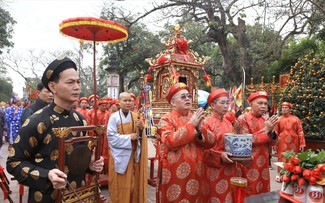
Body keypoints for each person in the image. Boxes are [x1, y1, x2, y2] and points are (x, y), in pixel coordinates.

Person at [6, 57, 104, 203]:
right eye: (70, 82)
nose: (77, 87)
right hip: (46, 198)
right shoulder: (36, 121)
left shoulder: (80, 120)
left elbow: (78, 160)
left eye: (78, 82)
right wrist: (47, 175)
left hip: (78, 196)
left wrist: (90, 164)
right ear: (52, 87)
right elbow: (13, 163)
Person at [156, 83, 216, 202]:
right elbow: (170, 141)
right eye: (183, 97)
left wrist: (199, 130)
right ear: (173, 102)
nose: (187, 99)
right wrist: (191, 125)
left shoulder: (194, 117)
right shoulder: (166, 119)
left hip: (197, 170)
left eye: (189, 96)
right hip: (175, 172)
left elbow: (212, 142)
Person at [107, 92, 148, 203]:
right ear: (119, 102)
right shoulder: (113, 117)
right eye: (125, 100)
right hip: (118, 156)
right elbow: (111, 138)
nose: (128, 103)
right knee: (119, 183)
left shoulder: (136, 116)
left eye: (130, 100)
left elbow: (141, 137)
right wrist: (128, 137)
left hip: (133, 155)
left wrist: (140, 129)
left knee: (133, 183)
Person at [236, 91, 278, 196]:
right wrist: (266, 131)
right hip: (248, 162)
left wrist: (272, 132)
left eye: (265, 103)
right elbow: (243, 142)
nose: (263, 106)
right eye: (260, 103)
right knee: (249, 191)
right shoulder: (242, 119)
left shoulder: (266, 119)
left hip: (263, 163)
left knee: (263, 191)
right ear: (250, 104)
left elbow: (274, 142)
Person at [201, 88, 236, 202]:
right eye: (222, 102)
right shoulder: (206, 123)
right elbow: (202, 150)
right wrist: (220, 155)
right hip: (213, 170)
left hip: (229, 168)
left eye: (227, 102)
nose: (226, 106)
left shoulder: (229, 123)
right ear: (212, 105)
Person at [274, 102, 305, 182]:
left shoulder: (296, 119)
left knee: (292, 158)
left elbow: (300, 131)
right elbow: (275, 132)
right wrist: (274, 143)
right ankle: (280, 175)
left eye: (286, 108)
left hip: (294, 143)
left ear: (290, 109)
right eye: (283, 107)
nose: (284, 109)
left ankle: (292, 175)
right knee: (281, 158)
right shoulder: (279, 119)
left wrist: (302, 143)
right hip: (282, 142)